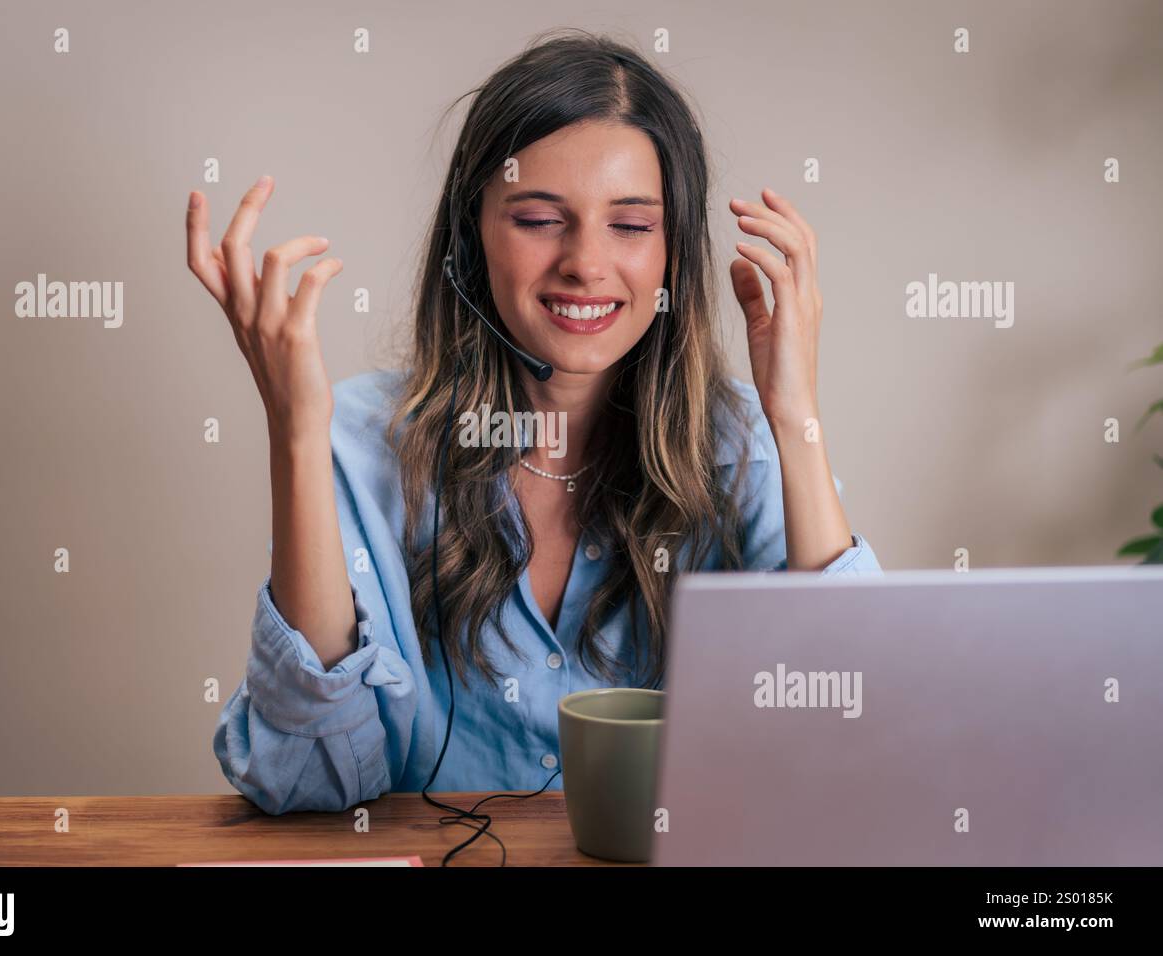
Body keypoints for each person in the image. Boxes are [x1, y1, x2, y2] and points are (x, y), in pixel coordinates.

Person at [186, 29, 882, 816]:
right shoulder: (351, 438)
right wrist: (296, 434)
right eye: (540, 218)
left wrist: (796, 417)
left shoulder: (743, 445)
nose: (586, 263)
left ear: (673, 255)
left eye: (630, 225)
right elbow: (312, 785)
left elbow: (853, 737)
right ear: (470, 236)